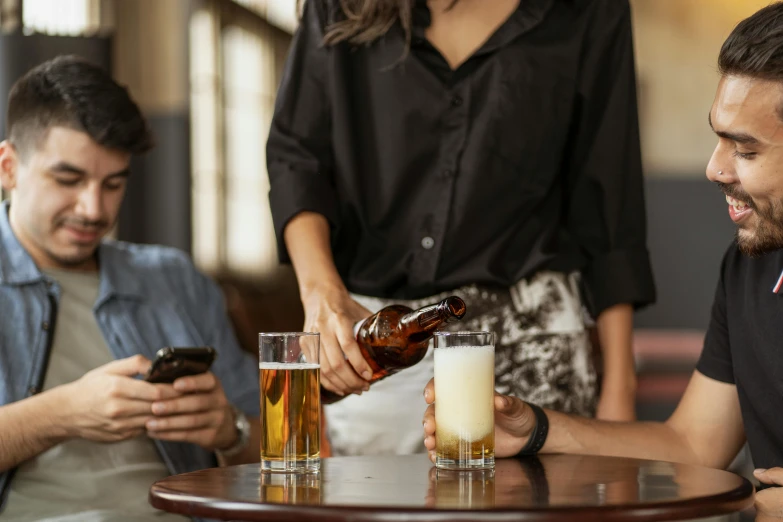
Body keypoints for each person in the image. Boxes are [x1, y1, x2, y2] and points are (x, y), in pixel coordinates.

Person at [423, 2, 783, 518]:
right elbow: (692, 446)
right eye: (717, 139)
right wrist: (535, 430)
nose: (714, 168)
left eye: (745, 151)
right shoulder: (747, 268)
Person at [267, 0, 655, 456]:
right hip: (381, 345)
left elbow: (609, 192)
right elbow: (298, 159)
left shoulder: (592, 11)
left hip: (535, 347)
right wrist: (320, 294)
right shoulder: (337, 6)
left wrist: (620, 389)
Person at [0, 55, 260, 521]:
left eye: (114, 183)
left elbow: (272, 449)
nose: (94, 209)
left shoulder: (173, 278)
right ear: (8, 167)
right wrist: (61, 414)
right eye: (68, 179)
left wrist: (231, 431)